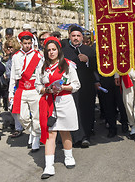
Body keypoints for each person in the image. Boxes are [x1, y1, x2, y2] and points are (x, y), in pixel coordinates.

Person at [35, 36, 80, 179]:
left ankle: (68, 156)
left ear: (58, 50)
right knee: (50, 133)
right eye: (48, 50)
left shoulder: (67, 65)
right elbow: (38, 86)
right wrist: (47, 90)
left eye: (54, 49)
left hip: (65, 101)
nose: (51, 53)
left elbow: (76, 85)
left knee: (64, 131)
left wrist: (63, 87)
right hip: (49, 102)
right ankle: (49, 166)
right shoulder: (42, 67)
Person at [62, 26, 96, 148]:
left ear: (82, 37)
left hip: (86, 86)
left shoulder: (89, 50)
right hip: (71, 88)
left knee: (86, 111)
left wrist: (88, 60)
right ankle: (74, 137)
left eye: (78, 36)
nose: (76, 38)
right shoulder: (64, 51)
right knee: (73, 111)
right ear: (69, 37)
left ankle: (85, 136)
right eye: (73, 36)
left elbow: (97, 67)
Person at [9, 31, 42, 151]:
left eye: (29, 43)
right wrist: (10, 93)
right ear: (21, 43)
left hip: (34, 89)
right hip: (22, 89)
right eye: (25, 43)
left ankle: (36, 138)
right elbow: (13, 76)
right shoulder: (16, 56)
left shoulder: (38, 56)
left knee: (36, 116)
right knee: (22, 117)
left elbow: (41, 74)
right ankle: (33, 131)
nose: (27, 45)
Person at [2, 37, 24, 137]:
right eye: (8, 47)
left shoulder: (19, 56)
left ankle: (19, 127)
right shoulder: (9, 57)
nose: (10, 49)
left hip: (18, 84)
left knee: (17, 106)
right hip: (11, 84)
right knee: (12, 106)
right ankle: (18, 126)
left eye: (11, 47)